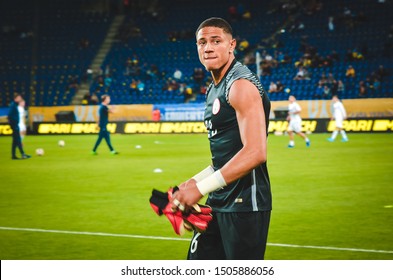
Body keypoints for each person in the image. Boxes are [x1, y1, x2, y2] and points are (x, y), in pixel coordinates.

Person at [170, 17, 272, 260]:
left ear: (231, 45)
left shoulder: (240, 85)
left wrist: (200, 189)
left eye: (216, 41)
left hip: (245, 203)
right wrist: (191, 184)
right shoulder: (213, 87)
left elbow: (256, 152)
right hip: (219, 199)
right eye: (202, 42)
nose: (208, 47)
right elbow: (223, 160)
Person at [7, 93, 31, 159]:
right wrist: (14, 124)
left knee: (15, 141)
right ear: (16, 98)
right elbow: (10, 115)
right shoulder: (13, 106)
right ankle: (23, 154)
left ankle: (13, 155)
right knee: (18, 140)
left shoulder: (15, 105)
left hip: (16, 125)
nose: (20, 99)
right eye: (19, 98)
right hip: (16, 125)